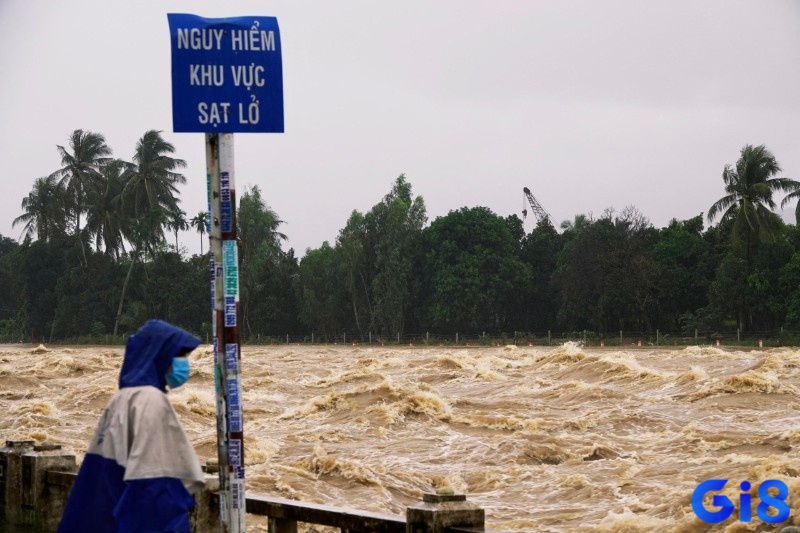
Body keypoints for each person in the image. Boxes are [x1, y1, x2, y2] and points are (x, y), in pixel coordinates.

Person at [58, 319, 206, 533]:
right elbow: (154, 486)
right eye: (180, 356)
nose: (185, 363)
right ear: (161, 355)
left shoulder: (121, 399)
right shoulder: (150, 401)